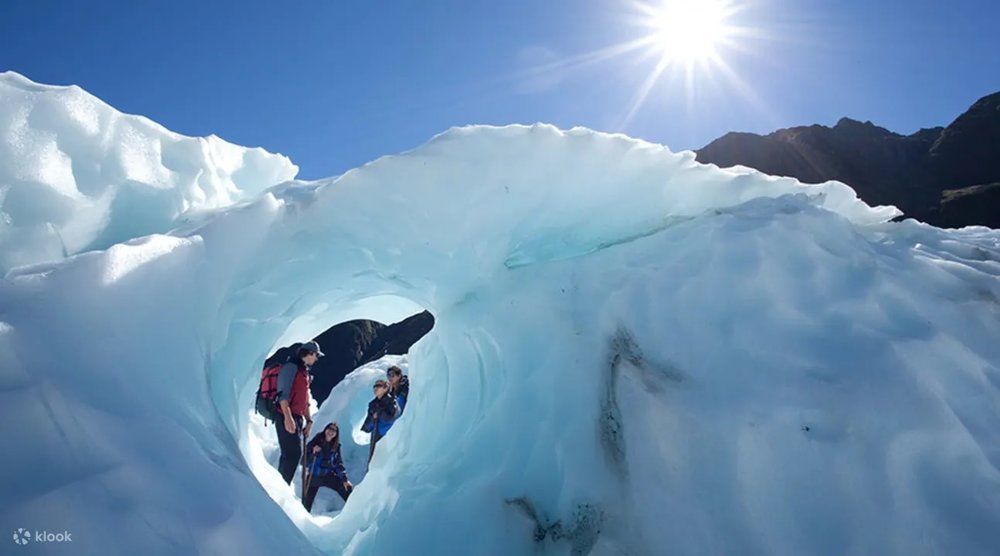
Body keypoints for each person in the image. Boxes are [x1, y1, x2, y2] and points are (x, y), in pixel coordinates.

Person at [275, 341, 323, 484]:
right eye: (316, 356)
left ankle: (279, 485)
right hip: (285, 415)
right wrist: (287, 417)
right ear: (309, 353)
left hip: (297, 417)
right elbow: (282, 395)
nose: (316, 359)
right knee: (293, 454)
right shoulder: (291, 367)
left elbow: (305, 399)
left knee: (289, 455)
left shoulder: (303, 371)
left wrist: (308, 421)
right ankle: (280, 487)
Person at [303, 422, 353, 512]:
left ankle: (354, 511)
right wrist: (313, 453)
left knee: (346, 489)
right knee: (306, 504)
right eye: (330, 428)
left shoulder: (335, 447)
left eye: (334, 430)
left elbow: (338, 463)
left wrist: (344, 479)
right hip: (314, 476)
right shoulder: (316, 441)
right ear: (325, 429)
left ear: (336, 434)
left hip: (328, 476)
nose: (331, 431)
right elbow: (304, 461)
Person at [361, 379, 400, 462]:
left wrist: (379, 413)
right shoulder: (372, 404)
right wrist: (372, 418)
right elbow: (367, 426)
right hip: (376, 436)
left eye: (378, 386)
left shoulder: (392, 401)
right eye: (374, 386)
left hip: (389, 438)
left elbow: (393, 417)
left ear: (386, 388)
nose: (375, 388)